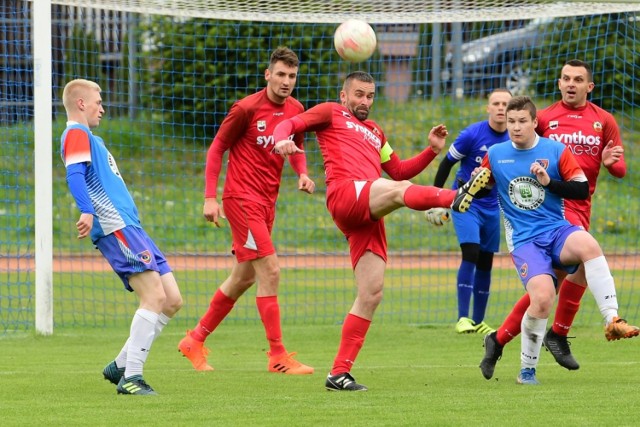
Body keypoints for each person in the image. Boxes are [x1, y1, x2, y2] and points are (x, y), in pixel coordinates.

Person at [272, 71, 491, 391]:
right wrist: (281, 138)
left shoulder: (375, 131)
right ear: (344, 95)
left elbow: (400, 169)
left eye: (370, 96)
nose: (364, 101)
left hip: (370, 210)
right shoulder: (330, 111)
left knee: (371, 293)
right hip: (347, 194)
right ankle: (454, 197)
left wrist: (431, 150)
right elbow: (291, 124)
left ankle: (338, 373)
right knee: (399, 190)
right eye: (358, 95)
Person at [480, 60, 638, 379]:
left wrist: (609, 163)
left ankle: (515, 339)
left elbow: (619, 171)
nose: (570, 84)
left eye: (578, 79)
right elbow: (516, 152)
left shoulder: (603, 120)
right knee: (544, 293)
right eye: (565, 78)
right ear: (558, 82)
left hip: (572, 211)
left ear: (588, 86)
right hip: (548, 211)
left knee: (564, 279)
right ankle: (546, 337)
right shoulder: (545, 119)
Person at [177, 47, 316, 375]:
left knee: (243, 278)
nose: (286, 81)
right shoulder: (246, 108)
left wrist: (303, 173)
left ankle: (194, 340)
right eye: (280, 74)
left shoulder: (296, 109)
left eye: (291, 76)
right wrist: (210, 198)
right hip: (241, 200)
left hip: (267, 204)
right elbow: (217, 148)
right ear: (267, 75)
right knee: (271, 271)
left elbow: (295, 147)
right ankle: (277, 355)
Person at [60, 79, 183, 395]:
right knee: (153, 297)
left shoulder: (90, 137)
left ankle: (120, 365)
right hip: (115, 227)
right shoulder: (75, 132)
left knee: (171, 300)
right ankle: (132, 378)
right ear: (81, 103)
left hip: (131, 226)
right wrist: (86, 211)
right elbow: (74, 173)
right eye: (98, 101)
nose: (102, 107)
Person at [425, 89, 512, 334]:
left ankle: (478, 320)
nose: (500, 107)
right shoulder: (472, 134)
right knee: (471, 253)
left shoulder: (514, 140)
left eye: (505, 103)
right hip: (465, 203)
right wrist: (435, 198)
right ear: (488, 108)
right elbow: (447, 163)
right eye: (496, 103)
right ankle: (462, 318)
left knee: (486, 261)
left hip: (492, 208)